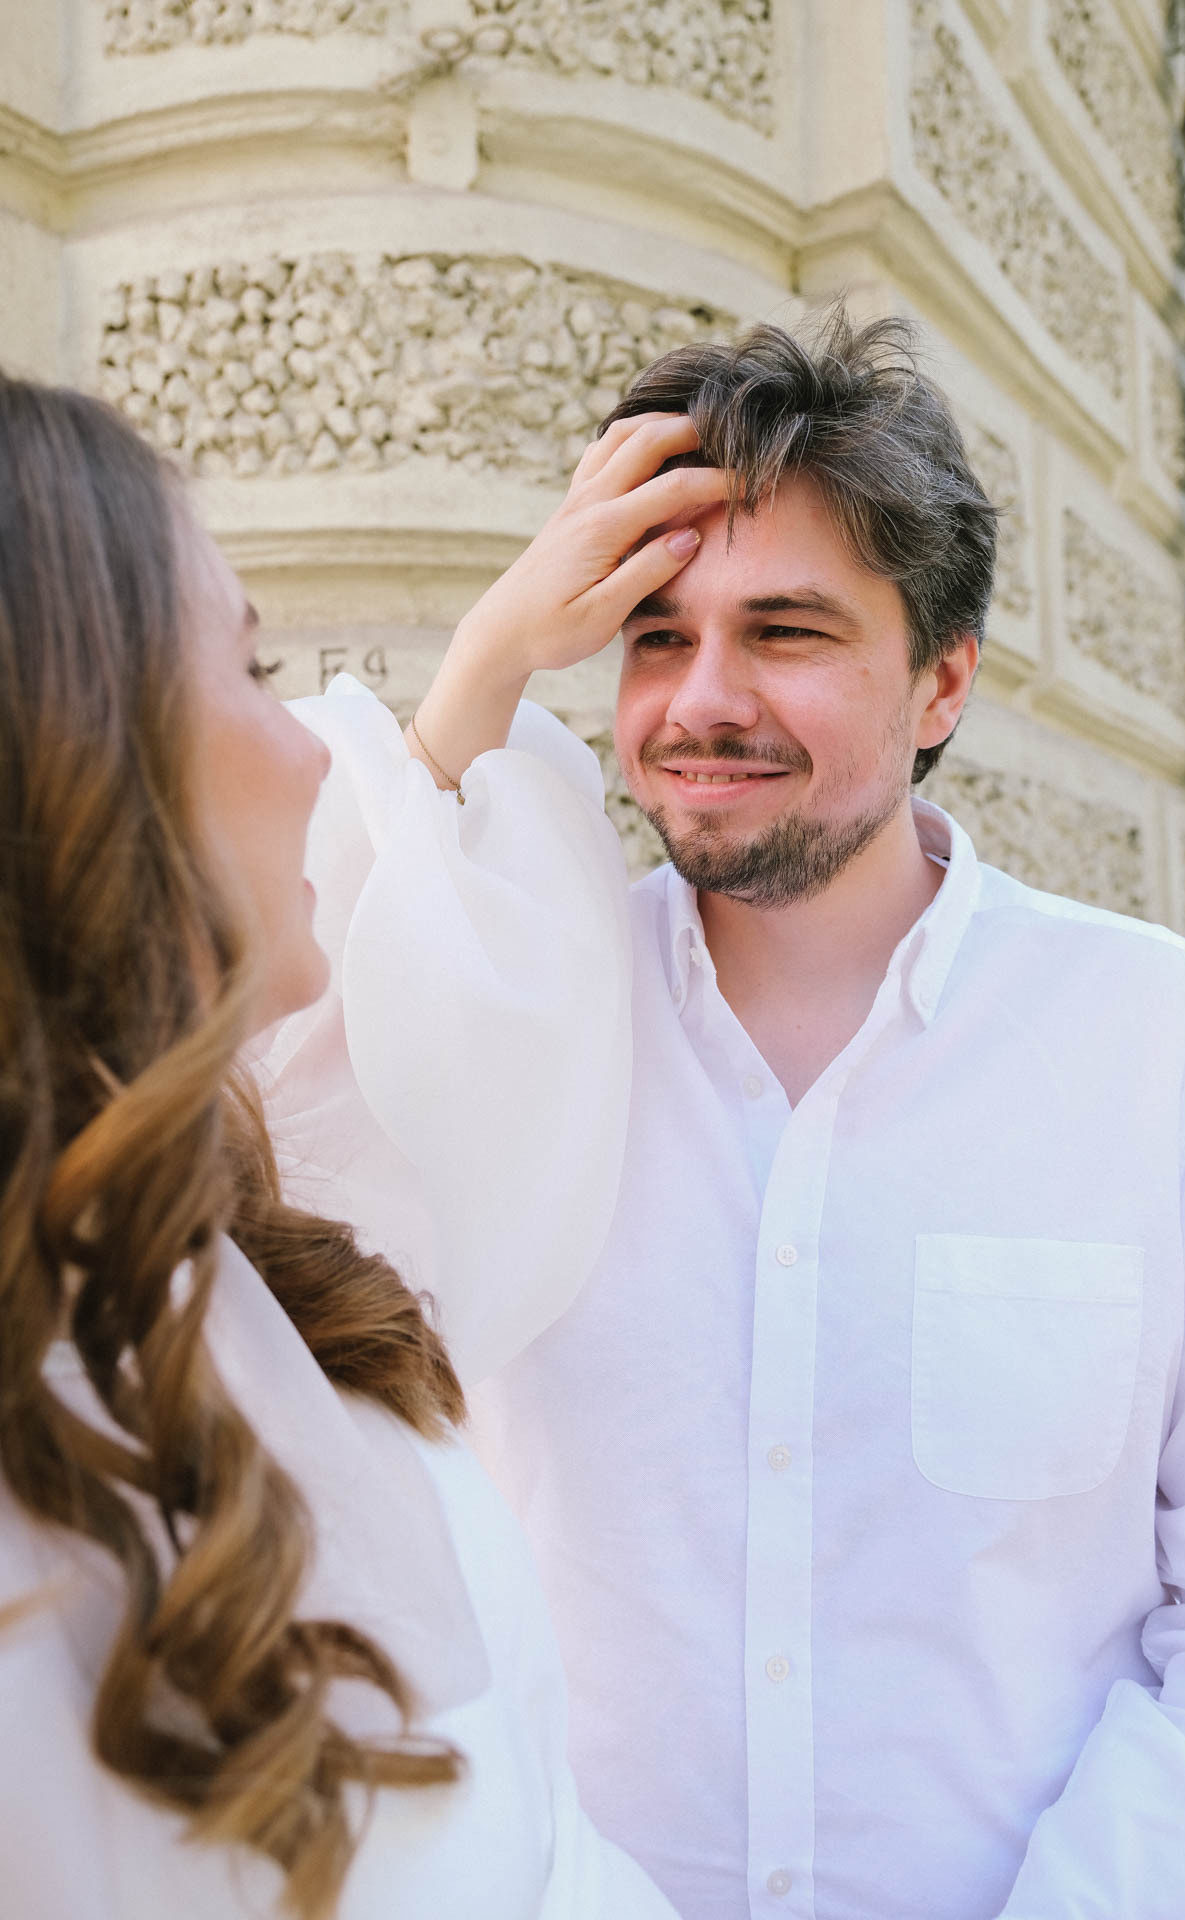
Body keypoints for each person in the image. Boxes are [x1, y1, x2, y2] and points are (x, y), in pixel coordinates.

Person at [392, 309, 1185, 1919]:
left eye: (785, 633)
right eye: (655, 636)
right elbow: (272, 1115)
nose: (699, 702)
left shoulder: (1164, 1045)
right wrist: (485, 665)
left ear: (941, 681)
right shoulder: (524, 1016)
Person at [0, 372, 721, 1916]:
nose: (329, 749)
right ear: (82, 762)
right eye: (252, 670)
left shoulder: (256, 1252)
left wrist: (494, 673)